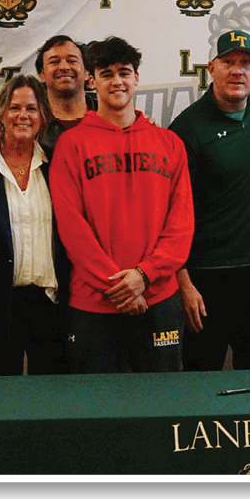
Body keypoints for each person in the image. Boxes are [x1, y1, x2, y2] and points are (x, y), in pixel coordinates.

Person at [49, 37, 193, 374]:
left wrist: (144, 276)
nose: (117, 81)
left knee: (162, 408)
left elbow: (181, 223)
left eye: (124, 73)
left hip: (158, 298)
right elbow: (72, 227)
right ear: (92, 80)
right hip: (94, 304)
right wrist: (121, 287)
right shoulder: (71, 145)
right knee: (96, 413)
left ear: (137, 78)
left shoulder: (169, 144)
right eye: (107, 73)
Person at [169, 30, 250, 371]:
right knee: (201, 376)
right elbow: (170, 212)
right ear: (211, 68)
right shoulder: (187, 128)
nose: (238, 71)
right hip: (206, 276)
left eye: (246, 63)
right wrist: (184, 283)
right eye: (228, 62)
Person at [0, 74, 72, 376]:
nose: (23, 116)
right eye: (15, 108)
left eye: (31, 108)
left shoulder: (57, 164)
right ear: (1, 113)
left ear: (43, 115)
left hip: (50, 301)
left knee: (52, 401)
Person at [35, 35, 96, 148]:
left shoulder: (107, 115)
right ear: (42, 74)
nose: (64, 67)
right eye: (54, 62)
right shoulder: (31, 121)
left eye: (72, 61)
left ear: (87, 73)